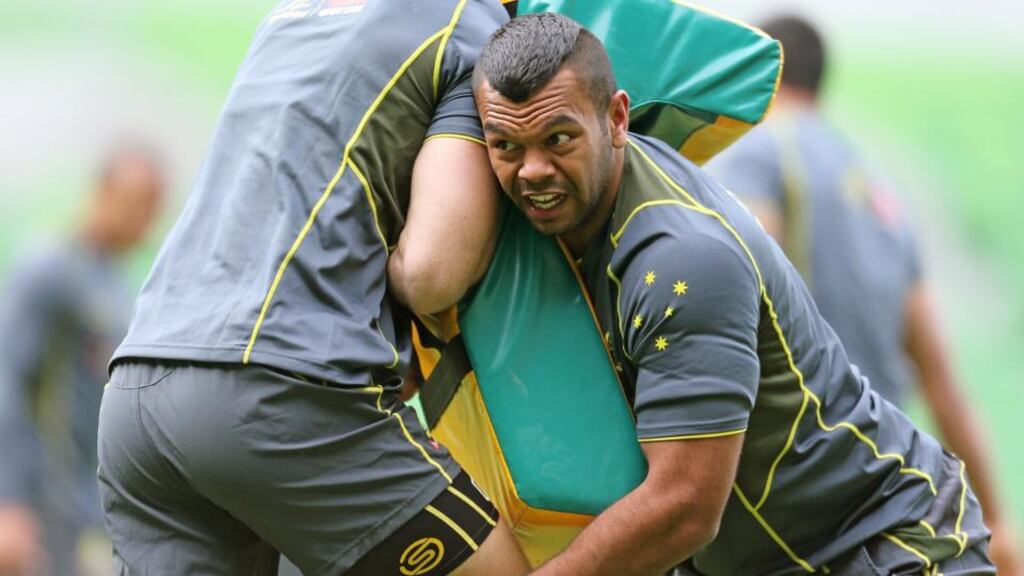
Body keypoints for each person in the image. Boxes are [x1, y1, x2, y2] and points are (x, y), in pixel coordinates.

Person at [472, 13, 993, 575]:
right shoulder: (593, 195)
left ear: (617, 119)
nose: (533, 171)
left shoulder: (683, 260)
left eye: (558, 139)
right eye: (505, 145)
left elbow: (684, 508)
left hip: (890, 548)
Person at [96, 0, 529, 574]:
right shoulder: (467, 25)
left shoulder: (286, 17)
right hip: (274, 390)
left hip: (136, 395)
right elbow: (430, 274)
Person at [707, 15, 1020, 574]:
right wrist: (1000, 521)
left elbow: (733, 284)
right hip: (893, 506)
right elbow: (943, 384)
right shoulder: (880, 190)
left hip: (806, 505)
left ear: (762, 72)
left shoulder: (758, 153)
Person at [0, 144, 164, 575]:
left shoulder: (117, 281)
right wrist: (9, 501)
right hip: (43, 505)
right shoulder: (50, 268)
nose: (145, 221)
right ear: (104, 191)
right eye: (138, 204)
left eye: (153, 208)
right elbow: (7, 377)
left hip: (88, 507)